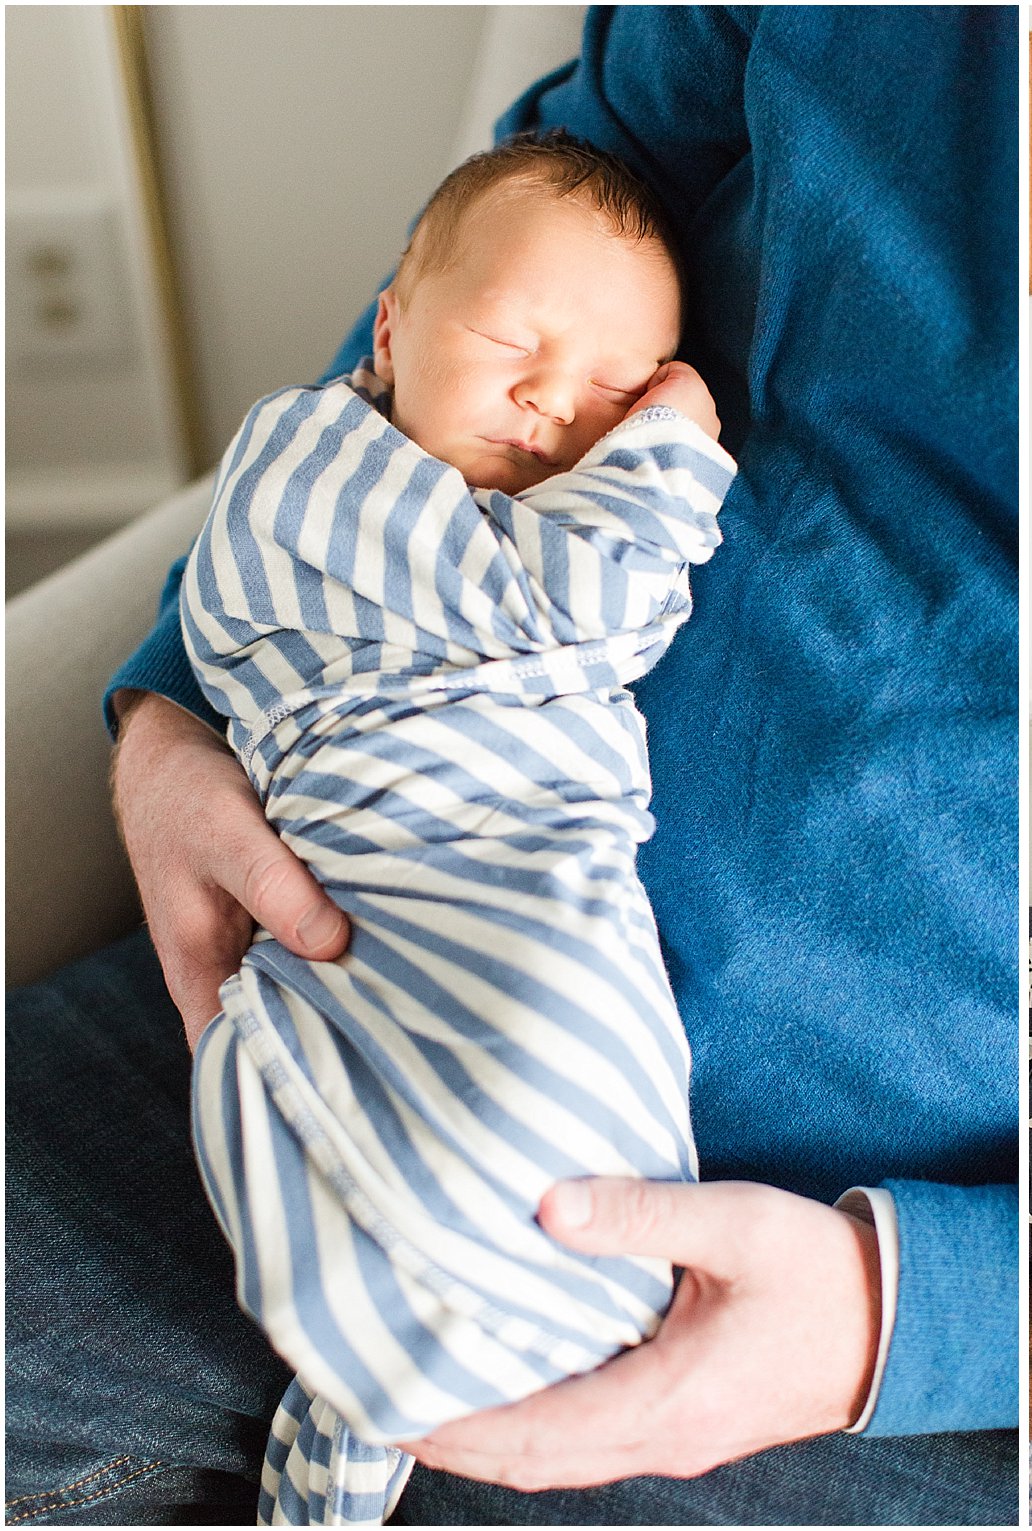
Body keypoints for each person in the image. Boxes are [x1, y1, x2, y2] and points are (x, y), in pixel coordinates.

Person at [5, 8, 1017, 1525]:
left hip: (824, 1273)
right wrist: (182, 704)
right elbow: (542, 207)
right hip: (329, 958)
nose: (560, 415)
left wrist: (912, 1318)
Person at [185, 131, 739, 1525]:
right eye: (511, 339)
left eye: (614, 389)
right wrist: (666, 447)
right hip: (401, 865)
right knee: (519, 1065)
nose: (556, 403)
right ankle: (397, 1358)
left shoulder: (506, 525)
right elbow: (583, 609)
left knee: (591, 1100)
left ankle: (395, 1378)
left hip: (551, 861)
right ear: (387, 323)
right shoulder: (308, 464)